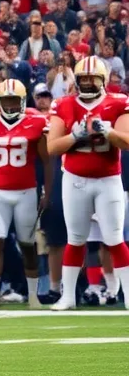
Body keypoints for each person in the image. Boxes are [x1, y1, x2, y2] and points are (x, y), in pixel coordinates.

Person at [45, 56, 129, 310]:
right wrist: (74, 136)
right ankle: (68, 296)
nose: (89, 83)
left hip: (108, 179)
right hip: (75, 179)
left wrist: (109, 132)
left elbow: (126, 141)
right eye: (84, 79)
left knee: (114, 238)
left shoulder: (118, 102)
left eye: (93, 78)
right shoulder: (63, 104)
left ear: (103, 79)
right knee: (75, 239)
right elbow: (51, 148)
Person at [0, 80, 52, 309]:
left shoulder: (36, 121)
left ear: (23, 101)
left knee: (27, 245)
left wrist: (46, 191)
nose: (9, 105)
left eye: (13, 100)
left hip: (26, 192)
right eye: (5, 100)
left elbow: (47, 161)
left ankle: (33, 296)